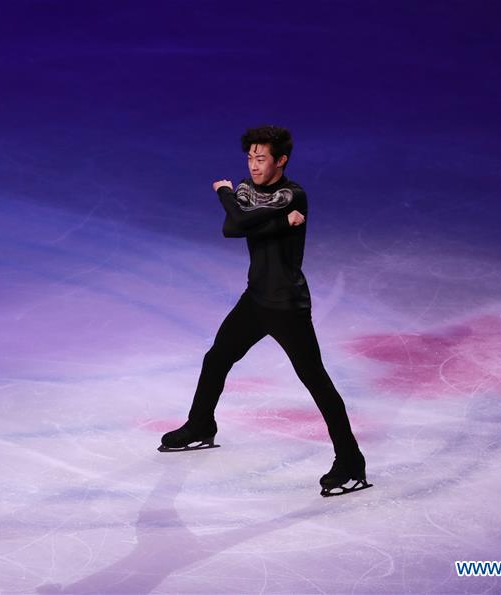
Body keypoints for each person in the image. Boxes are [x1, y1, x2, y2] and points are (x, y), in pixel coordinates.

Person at [158, 125, 371, 497]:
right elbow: (232, 228)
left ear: (281, 160)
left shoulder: (293, 195)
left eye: (262, 159)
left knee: (316, 381)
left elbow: (239, 220)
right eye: (250, 159)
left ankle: (351, 462)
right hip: (255, 299)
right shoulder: (249, 189)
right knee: (217, 358)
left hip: (287, 304)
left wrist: (224, 192)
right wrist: (268, 219)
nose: (254, 167)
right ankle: (200, 425)